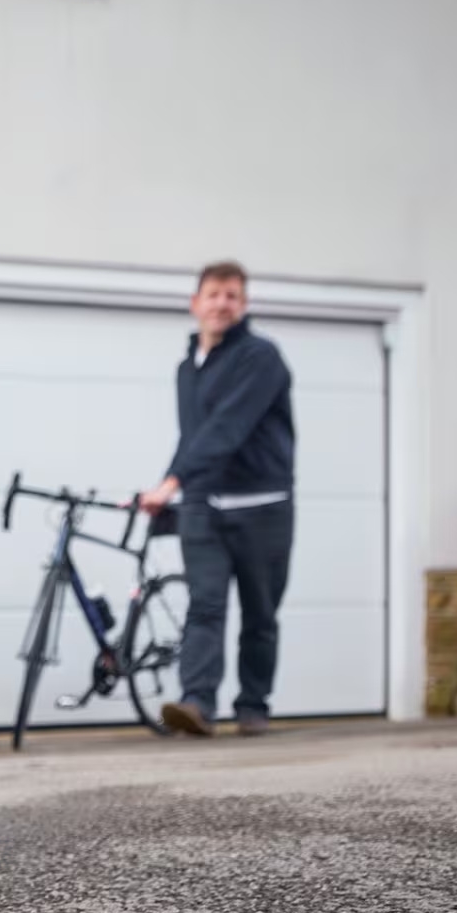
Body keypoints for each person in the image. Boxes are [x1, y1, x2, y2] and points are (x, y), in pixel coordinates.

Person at [138, 261, 294, 737]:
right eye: (214, 294)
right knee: (204, 605)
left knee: (260, 614)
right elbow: (194, 437)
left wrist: (174, 481)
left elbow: (229, 426)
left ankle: (253, 707)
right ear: (196, 303)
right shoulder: (187, 369)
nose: (222, 303)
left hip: (262, 506)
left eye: (232, 295)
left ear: (243, 305)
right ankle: (197, 704)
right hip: (203, 505)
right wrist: (167, 485)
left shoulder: (260, 357)